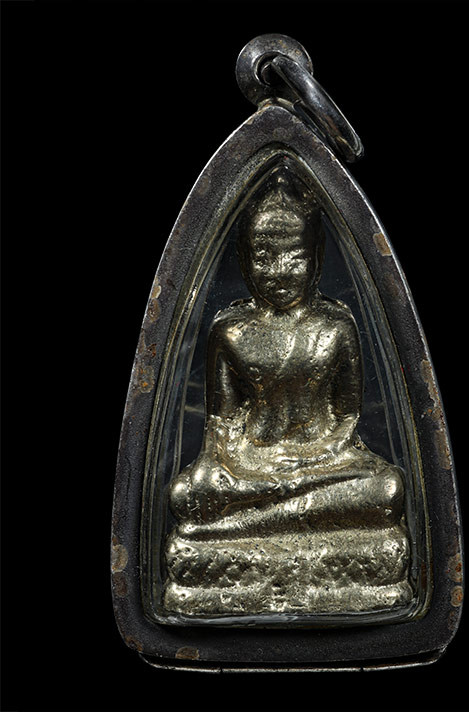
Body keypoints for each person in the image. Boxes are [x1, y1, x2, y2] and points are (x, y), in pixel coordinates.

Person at [163, 163, 411, 616]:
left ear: (316, 257)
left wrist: (313, 458)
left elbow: (348, 417)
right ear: (244, 259)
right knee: (187, 493)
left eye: (293, 257)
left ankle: (254, 531)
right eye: (263, 257)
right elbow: (219, 425)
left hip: (325, 464)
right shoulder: (230, 331)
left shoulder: (335, 327)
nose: (278, 272)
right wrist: (235, 464)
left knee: (386, 489)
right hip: (250, 465)